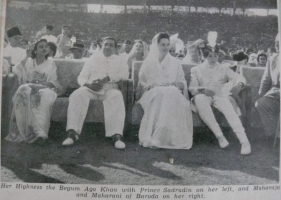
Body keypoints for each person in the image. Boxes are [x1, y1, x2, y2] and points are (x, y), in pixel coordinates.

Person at [62, 37, 129, 149]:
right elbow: (82, 77)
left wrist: (107, 78)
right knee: (77, 94)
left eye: (111, 45)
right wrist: (89, 85)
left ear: (115, 48)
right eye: (105, 44)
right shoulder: (93, 58)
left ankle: (116, 135)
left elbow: (125, 75)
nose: (107, 47)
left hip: (110, 89)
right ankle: (73, 133)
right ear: (101, 46)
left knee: (117, 96)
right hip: (91, 89)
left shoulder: (120, 60)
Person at [189, 43, 251, 155]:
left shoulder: (224, 68)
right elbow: (192, 88)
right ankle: (220, 136)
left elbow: (238, 77)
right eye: (210, 56)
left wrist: (240, 84)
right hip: (203, 95)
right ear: (203, 56)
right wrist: (202, 90)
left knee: (228, 108)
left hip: (219, 95)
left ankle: (244, 141)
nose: (213, 59)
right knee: (200, 99)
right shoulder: (196, 69)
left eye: (215, 56)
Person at [137, 32, 193, 149]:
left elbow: (182, 82)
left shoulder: (175, 62)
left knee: (171, 92)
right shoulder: (149, 62)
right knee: (165, 93)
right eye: (162, 44)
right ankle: (155, 136)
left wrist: (177, 85)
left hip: (172, 92)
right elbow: (142, 83)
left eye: (168, 45)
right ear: (156, 45)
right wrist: (152, 86)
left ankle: (163, 137)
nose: (166, 47)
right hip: (153, 93)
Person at [5, 39, 60, 144]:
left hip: (44, 88)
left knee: (41, 95)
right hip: (28, 86)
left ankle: (40, 133)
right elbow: (16, 70)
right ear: (35, 50)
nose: (44, 48)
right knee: (23, 89)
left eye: (46, 46)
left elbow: (53, 81)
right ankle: (25, 131)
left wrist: (41, 85)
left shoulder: (51, 64)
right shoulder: (29, 61)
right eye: (41, 47)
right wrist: (26, 57)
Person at [255, 33, 280, 139]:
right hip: (276, 94)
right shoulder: (272, 59)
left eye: (279, 43)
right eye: (277, 43)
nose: (277, 45)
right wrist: (260, 95)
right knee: (261, 103)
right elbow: (265, 80)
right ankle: (273, 134)